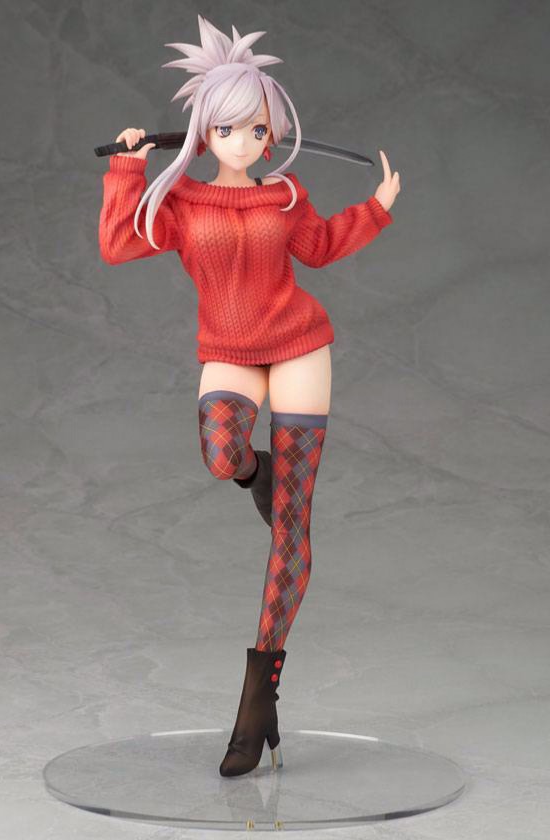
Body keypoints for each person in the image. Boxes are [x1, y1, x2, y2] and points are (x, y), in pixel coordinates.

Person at [98, 13, 400, 778]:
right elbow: (117, 244)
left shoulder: (285, 194)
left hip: (298, 345)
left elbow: (321, 247)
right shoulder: (183, 201)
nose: (246, 141)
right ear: (204, 132)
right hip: (229, 351)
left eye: (259, 129)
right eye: (230, 127)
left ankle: (257, 696)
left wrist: (378, 206)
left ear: (273, 135)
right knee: (221, 453)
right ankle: (255, 473)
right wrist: (127, 169)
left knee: (291, 526)